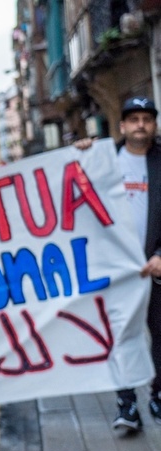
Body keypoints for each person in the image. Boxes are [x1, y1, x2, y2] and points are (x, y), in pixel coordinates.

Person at [75, 95, 161, 433]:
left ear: (154, 125)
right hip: (117, 270)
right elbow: (69, 193)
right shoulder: (102, 159)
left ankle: (158, 395)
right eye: (134, 118)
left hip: (154, 268)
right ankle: (127, 405)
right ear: (122, 125)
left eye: (147, 118)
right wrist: (79, 154)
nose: (141, 124)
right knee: (122, 337)